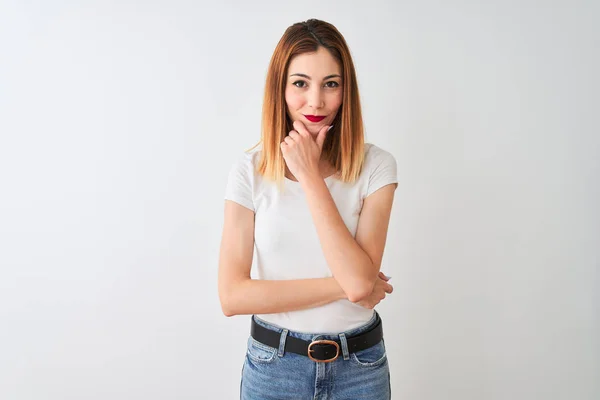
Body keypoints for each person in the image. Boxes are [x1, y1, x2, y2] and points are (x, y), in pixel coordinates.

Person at [218, 18, 398, 400]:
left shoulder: (377, 167)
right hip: (273, 369)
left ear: (346, 91)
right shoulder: (249, 173)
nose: (315, 101)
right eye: (300, 83)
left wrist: (310, 176)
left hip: (359, 370)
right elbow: (232, 296)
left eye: (330, 84)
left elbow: (360, 283)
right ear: (280, 89)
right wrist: (348, 287)